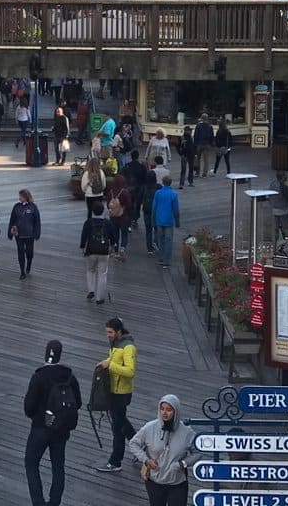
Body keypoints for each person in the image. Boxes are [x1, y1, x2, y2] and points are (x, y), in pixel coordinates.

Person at [23, 340, 81, 506]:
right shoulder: (69, 377)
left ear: (45, 353)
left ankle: (38, 502)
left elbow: (29, 407)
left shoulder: (39, 376)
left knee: (31, 463)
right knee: (58, 466)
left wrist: (39, 415)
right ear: (60, 355)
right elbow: (78, 402)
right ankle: (54, 502)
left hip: (40, 428)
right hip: (61, 429)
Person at [129, 395, 196, 506]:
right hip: (154, 481)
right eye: (162, 409)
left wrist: (182, 464)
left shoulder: (187, 432)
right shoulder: (149, 428)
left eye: (169, 410)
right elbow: (134, 443)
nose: (164, 413)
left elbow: (198, 452)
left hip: (178, 483)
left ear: (176, 411)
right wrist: (146, 460)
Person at [94, 318, 137, 473]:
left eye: (110, 332)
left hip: (121, 392)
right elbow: (113, 359)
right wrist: (106, 361)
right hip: (113, 391)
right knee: (122, 422)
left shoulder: (128, 347)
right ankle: (139, 447)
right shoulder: (116, 344)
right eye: (107, 332)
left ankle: (115, 461)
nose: (108, 335)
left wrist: (110, 365)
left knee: (117, 428)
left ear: (118, 332)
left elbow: (130, 371)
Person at [80, 201, 117, 305]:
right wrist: (112, 248)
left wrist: (82, 248)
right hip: (104, 251)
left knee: (90, 270)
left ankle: (91, 290)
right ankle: (99, 297)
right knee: (102, 274)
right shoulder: (108, 223)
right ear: (103, 211)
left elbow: (84, 236)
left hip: (91, 250)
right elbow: (113, 238)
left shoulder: (88, 222)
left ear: (92, 211)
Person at [8, 189, 41, 280]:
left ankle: (29, 264)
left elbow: (37, 221)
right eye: (19, 196)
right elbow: (12, 220)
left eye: (21, 196)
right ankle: (22, 271)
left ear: (26, 197)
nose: (19, 198)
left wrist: (37, 233)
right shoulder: (16, 206)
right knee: (20, 252)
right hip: (19, 234)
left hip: (30, 235)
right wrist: (10, 233)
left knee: (29, 253)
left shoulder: (33, 207)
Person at [152, 176, 180, 268]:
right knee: (168, 240)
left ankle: (161, 257)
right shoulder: (173, 194)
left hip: (159, 219)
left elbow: (154, 207)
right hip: (169, 220)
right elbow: (175, 209)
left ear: (163, 182)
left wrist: (153, 220)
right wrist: (177, 221)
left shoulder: (158, 193)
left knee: (160, 239)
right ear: (170, 183)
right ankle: (166, 261)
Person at [106, 173, 132, 261]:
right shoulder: (125, 192)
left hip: (113, 217)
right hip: (123, 216)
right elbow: (129, 205)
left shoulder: (111, 192)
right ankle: (123, 249)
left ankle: (116, 251)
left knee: (115, 234)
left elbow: (108, 205)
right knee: (124, 234)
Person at [271, 172, 288, 239]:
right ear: (283, 177)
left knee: (276, 228)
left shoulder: (273, 184)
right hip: (284, 210)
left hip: (274, 209)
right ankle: (287, 243)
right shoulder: (284, 186)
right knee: (287, 228)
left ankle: (276, 242)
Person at [141, 170, 158, 256]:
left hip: (146, 210)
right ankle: (156, 243)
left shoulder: (144, 187)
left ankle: (149, 248)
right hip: (156, 210)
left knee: (148, 230)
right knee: (157, 228)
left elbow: (141, 199)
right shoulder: (158, 187)